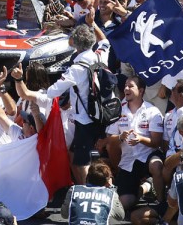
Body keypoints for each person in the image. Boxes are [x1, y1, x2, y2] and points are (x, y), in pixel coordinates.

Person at [44, 25, 104, 184]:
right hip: (103, 116)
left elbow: (52, 92)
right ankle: (83, 187)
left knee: (81, 162)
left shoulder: (76, 68)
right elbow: (105, 42)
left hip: (85, 120)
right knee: (73, 155)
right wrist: (93, 24)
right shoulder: (100, 56)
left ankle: (87, 191)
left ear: (76, 44)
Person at [107, 76, 164, 213]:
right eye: (125, 86)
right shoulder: (117, 111)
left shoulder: (152, 111)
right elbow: (110, 140)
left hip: (147, 156)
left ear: (141, 90)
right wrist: (120, 137)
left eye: (131, 86)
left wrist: (141, 139)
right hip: (128, 161)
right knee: (124, 204)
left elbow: (157, 142)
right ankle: (146, 187)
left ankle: (162, 204)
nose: (126, 88)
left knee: (156, 165)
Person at [61, 160, 125, 225]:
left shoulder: (73, 190)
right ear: (107, 181)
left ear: (87, 177)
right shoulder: (110, 194)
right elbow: (120, 216)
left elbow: (64, 214)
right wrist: (112, 188)